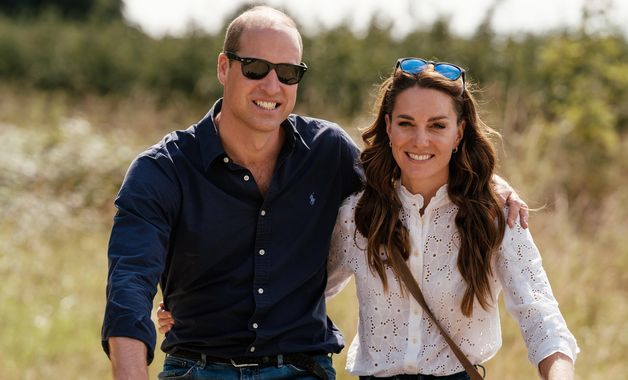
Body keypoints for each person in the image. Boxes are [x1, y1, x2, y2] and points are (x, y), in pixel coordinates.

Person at [103, 6, 527, 380]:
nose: (272, 86)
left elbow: (410, 173)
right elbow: (129, 286)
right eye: (255, 68)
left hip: (300, 369)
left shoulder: (326, 153)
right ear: (223, 67)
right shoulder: (161, 171)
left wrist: (490, 183)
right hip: (197, 367)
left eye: (288, 73)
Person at [322, 58, 579, 379]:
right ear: (388, 127)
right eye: (406, 123)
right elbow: (309, 290)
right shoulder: (357, 214)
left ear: (459, 133)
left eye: (437, 125)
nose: (420, 140)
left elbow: (539, 314)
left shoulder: (494, 214)